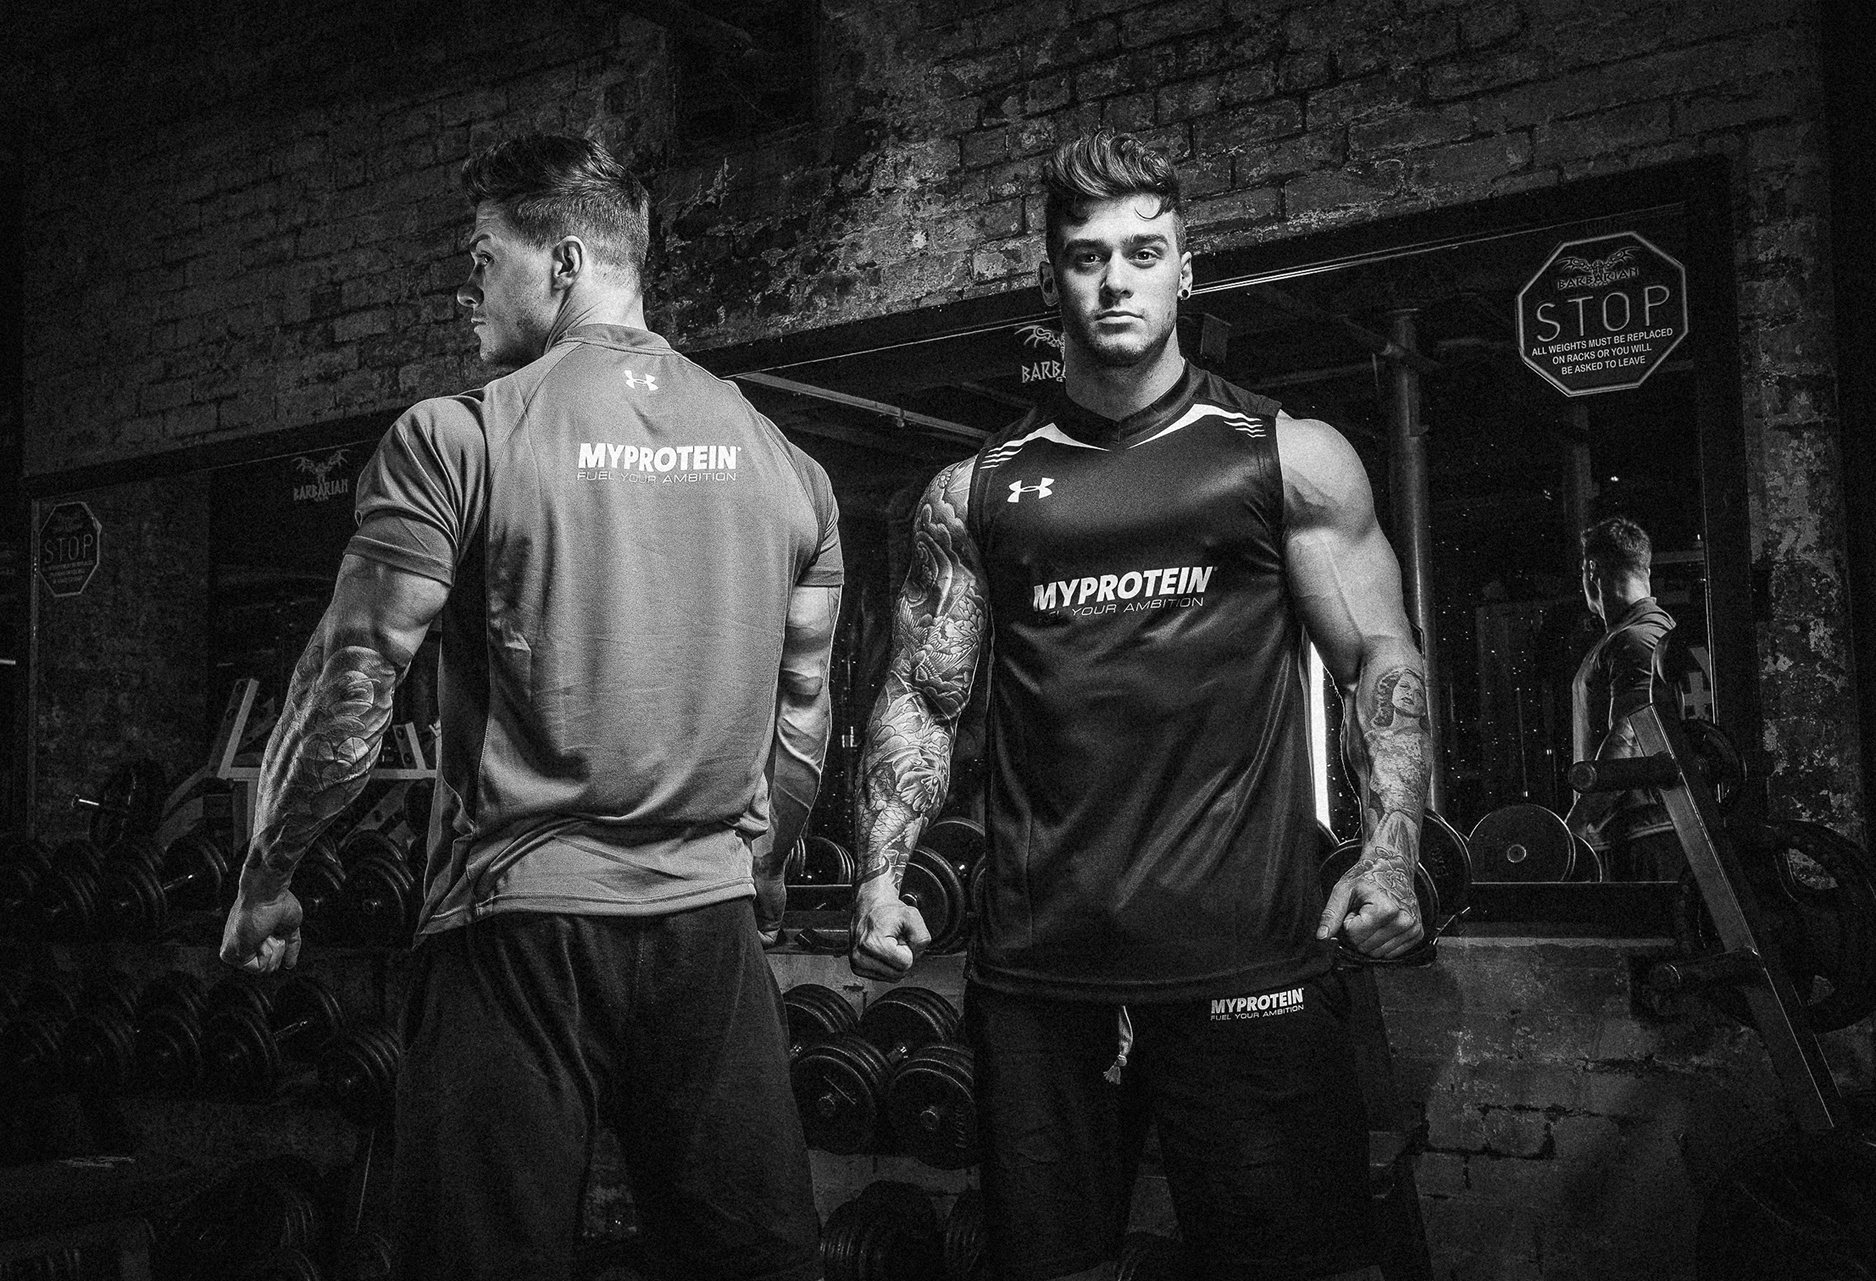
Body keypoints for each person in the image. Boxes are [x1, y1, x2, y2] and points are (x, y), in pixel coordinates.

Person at [218, 134, 842, 1281]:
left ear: (563, 263)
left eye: (481, 259)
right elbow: (802, 716)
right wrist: (752, 868)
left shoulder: (457, 438)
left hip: (515, 927)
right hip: (708, 938)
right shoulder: (787, 466)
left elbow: (353, 680)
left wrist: (269, 873)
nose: (466, 291)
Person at [849, 129, 1432, 1281]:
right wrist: (878, 872)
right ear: (1050, 280)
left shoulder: (1285, 458)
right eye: (1087, 256)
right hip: (1040, 980)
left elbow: (1380, 657)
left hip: (1249, 960)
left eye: (1144, 252)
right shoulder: (976, 493)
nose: (1115, 280)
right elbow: (921, 690)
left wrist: (1392, 850)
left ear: (1185, 271)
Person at [1566, 515, 1681, 880]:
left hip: (1639, 835)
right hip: (1642, 830)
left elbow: (1629, 740)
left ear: (1592, 570)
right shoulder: (1657, 631)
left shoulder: (1635, 639)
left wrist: (1575, 824)